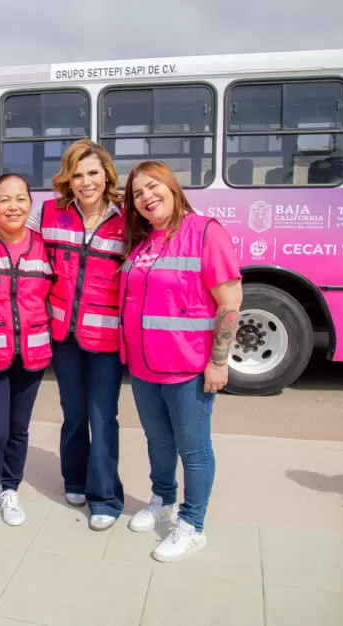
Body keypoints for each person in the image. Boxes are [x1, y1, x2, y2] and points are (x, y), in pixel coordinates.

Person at [0, 139, 127, 531]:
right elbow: (7, 228)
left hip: (104, 337)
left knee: (103, 417)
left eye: (93, 174)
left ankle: (105, 497)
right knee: (74, 413)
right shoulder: (50, 212)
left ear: (107, 176)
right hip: (62, 335)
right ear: (68, 179)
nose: (86, 182)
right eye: (78, 175)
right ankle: (76, 480)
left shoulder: (125, 219)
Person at [120, 161, 243, 562]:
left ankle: (192, 524)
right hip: (142, 366)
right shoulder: (144, 243)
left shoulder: (206, 232)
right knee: (157, 440)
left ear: (172, 187)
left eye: (153, 187)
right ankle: (162, 498)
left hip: (187, 366)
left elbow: (229, 302)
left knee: (193, 449)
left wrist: (219, 362)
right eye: (138, 194)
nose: (146, 197)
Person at [0, 173, 53, 536]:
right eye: (4, 199)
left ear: (30, 204)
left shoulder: (45, 246)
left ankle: (10, 490)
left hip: (31, 357)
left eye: (20, 199)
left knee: (19, 430)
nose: (13, 206)